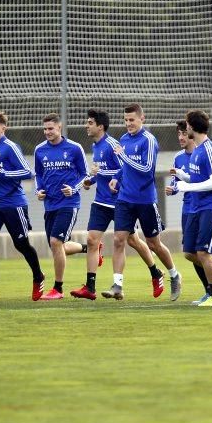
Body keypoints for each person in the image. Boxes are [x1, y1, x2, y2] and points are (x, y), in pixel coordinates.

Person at [102, 104, 182, 301]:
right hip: (125, 199)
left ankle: (174, 274)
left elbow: (146, 168)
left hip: (145, 200)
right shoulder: (124, 139)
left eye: (132, 120)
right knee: (119, 239)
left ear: (142, 119)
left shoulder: (149, 140)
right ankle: (118, 285)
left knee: (153, 244)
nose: (128, 124)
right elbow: (125, 167)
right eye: (126, 120)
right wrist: (116, 177)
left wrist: (123, 156)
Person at [70, 109, 152, 300]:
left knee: (133, 241)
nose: (86, 125)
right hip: (101, 201)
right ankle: (90, 288)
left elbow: (125, 170)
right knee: (91, 240)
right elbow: (102, 172)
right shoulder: (95, 145)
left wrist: (103, 176)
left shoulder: (113, 144)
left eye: (90, 122)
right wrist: (91, 180)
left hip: (120, 201)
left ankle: (155, 272)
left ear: (100, 126)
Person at [0, 111, 45, 301]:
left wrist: (2, 173)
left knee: (21, 245)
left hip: (14, 204)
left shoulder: (10, 147)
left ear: (4, 128)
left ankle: (38, 276)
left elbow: (27, 173)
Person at [166, 114, 212, 307]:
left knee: (204, 252)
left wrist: (185, 187)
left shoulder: (209, 150)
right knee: (189, 252)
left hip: (211, 207)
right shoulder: (196, 150)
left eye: (186, 126)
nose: (184, 129)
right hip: (196, 207)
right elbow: (197, 179)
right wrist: (183, 176)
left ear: (193, 127)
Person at [33, 113, 90, 300]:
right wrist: (39, 191)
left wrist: (73, 189)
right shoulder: (39, 150)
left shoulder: (74, 148)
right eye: (45, 129)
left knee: (56, 243)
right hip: (50, 205)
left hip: (69, 203)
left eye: (51, 128)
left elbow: (85, 175)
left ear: (60, 128)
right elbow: (38, 175)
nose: (47, 132)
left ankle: (57, 289)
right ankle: (88, 248)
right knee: (58, 247)